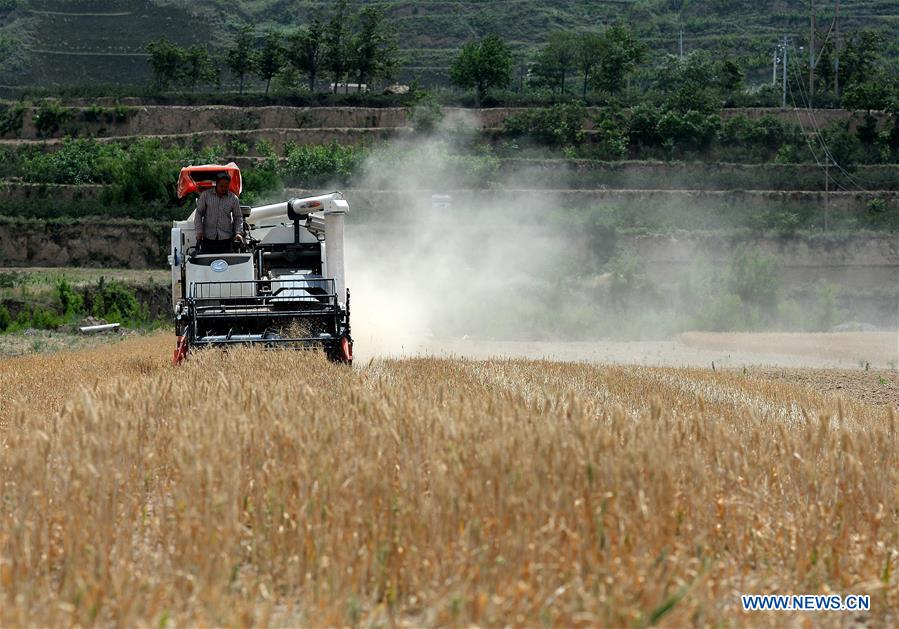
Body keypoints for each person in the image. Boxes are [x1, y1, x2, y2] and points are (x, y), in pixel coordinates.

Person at [194, 173, 243, 254]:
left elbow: (238, 217)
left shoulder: (233, 199)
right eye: (221, 186)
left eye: (226, 186)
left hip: (226, 239)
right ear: (216, 184)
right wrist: (199, 231)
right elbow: (199, 213)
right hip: (208, 238)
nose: (224, 188)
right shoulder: (206, 195)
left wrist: (238, 233)